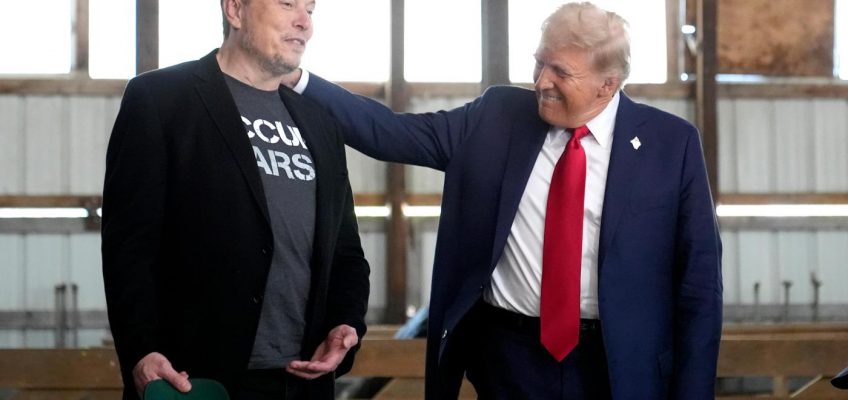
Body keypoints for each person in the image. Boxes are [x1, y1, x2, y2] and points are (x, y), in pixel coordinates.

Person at [285, 2, 722, 399]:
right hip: (511, 360)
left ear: (608, 84)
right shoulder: (497, 117)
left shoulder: (671, 144)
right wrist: (296, 79)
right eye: (539, 62)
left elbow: (699, 287)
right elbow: (390, 133)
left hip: (619, 366)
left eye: (560, 72)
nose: (541, 81)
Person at [101, 0, 370, 399]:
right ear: (235, 10)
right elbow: (129, 245)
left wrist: (345, 323)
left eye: (310, 10)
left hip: (303, 381)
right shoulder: (161, 99)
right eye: (287, 3)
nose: (304, 23)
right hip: (194, 379)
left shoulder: (320, 122)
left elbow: (345, 252)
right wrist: (141, 349)